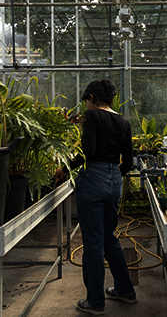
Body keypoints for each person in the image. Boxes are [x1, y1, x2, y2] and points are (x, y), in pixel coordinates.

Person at [55, 80, 136, 315]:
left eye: (86, 102)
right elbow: (128, 162)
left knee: (92, 241)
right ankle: (125, 290)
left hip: (94, 179)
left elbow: (88, 151)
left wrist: (65, 167)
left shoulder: (92, 117)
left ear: (91, 98)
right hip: (115, 180)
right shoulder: (123, 121)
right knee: (109, 238)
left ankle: (95, 301)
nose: (86, 106)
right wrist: (113, 177)